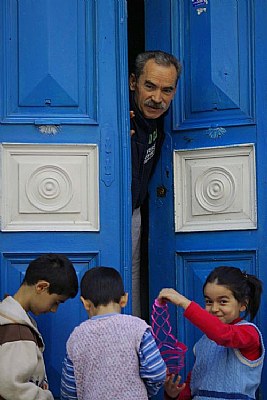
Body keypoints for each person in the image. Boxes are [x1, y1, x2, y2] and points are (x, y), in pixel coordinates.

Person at [157, 266, 265, 400]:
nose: (214, 308)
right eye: (208, 301)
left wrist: (184, 303)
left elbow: (223, 334)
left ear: (243, 304)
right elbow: (193, 387)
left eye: (223, 302)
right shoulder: (203, 343)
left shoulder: (249, 333)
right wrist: (174, 394)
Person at [60, 266, 166, 400]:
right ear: (124, 299)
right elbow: (157, 372)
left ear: (85, 303)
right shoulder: (138, 328)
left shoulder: (77, 336)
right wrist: (145, 391)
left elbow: (69, 389)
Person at [130, 50, 182, 317]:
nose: (157, 98)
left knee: (131, 278)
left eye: (167, 90)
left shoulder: (158, 124)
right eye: (149, 86)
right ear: (133, 83)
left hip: (134, 214)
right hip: (101, 218)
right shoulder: (120, 120)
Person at [0, 253, 78, 400]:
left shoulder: (13, 319)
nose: (54, 309)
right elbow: (11, 387)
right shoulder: (16, 331)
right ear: (41, 287)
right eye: (56, 302)